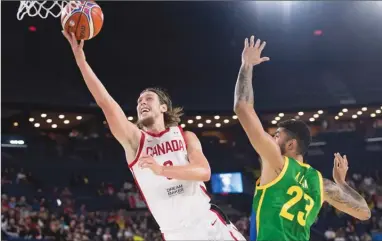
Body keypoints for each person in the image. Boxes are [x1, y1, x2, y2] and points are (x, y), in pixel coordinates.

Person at [62, 31, 246, 241]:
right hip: (176, 235)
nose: (141, 103)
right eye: (139, 101)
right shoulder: (134, 142)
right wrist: (81, 61)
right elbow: (106, 103)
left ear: (163, 107)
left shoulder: (186, 137)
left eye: (148, 98)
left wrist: (161, 170)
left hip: (208, 223)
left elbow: (204, 172)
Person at [233, 35, 371, 241]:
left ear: (290, 144)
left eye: (276, 135)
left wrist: (246, 65)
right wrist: (341, 183)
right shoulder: (321, 184)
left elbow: (242, 108)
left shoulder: (277, 163)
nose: (271, 138)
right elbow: (364, 212)